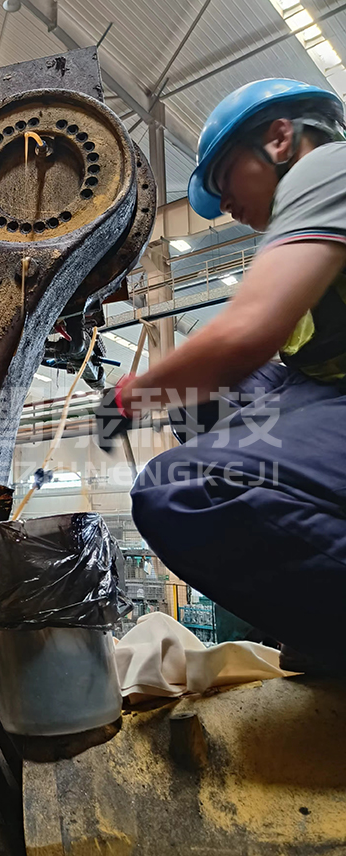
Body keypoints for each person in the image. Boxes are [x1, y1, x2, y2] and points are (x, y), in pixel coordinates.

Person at [95, 79, 346, 671]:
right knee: (195, 395)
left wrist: (129, 398)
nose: (225, 203)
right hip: (325, 393)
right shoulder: (309, 233)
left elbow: (245, 334)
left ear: (280, 139)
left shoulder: (327, 167)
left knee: (175, 489)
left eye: (223, 177)